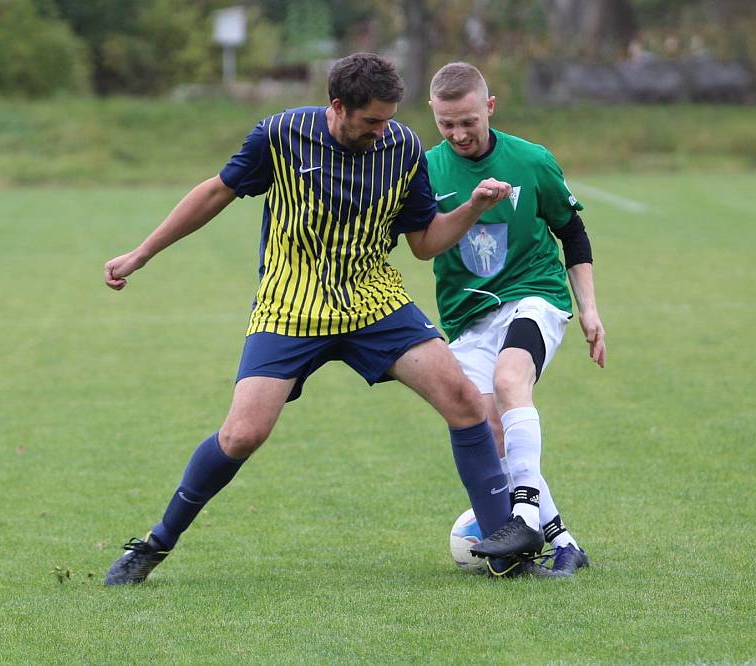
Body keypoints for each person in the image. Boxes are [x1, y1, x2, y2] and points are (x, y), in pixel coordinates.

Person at [102, 53, 545, 585]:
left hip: (372, 300)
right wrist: (142, 253)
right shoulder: (282, 133)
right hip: (290, 305)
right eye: (372, 121)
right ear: (338, 107)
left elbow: (425, 243)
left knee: (465, 403)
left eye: (389, 118)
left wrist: (472, 206)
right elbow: (217, 191)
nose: (385, 131)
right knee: (242, 435)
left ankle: (507, 554)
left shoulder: (402, 148)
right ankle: (155, 543)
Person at [424, 62, 607, 576]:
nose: (459, 134)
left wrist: (589, 309)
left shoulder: (531, 160)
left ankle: (522, 516)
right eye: (446, 124)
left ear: (489, 107)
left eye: (468, 121)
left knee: (511, 380)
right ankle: (562, 541)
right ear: (433, 116)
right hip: (467, 317)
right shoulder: (424, 169)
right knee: (489, 431)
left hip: (535, 296)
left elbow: (573, 233)